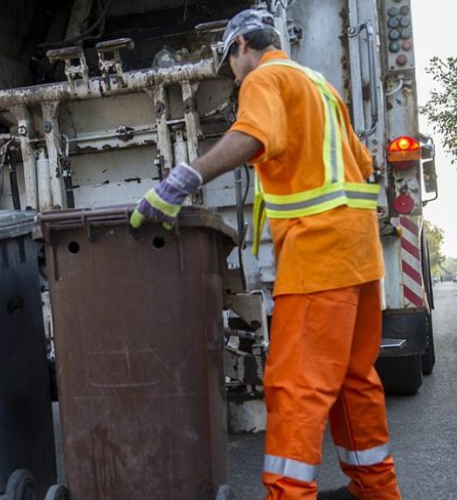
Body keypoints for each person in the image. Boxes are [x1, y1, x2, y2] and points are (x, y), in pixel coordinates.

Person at [130, 9, 400, 500]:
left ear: (241, 48)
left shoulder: (263, 78)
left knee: (295, 388)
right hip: (359, 259)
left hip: (318, 260)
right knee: (353, 382)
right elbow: (362, 166)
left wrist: (184, 178)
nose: (232, 74)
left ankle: (287, 495)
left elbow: (254, 134)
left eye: (229, 62)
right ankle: (377, 491)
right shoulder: (319, 86)